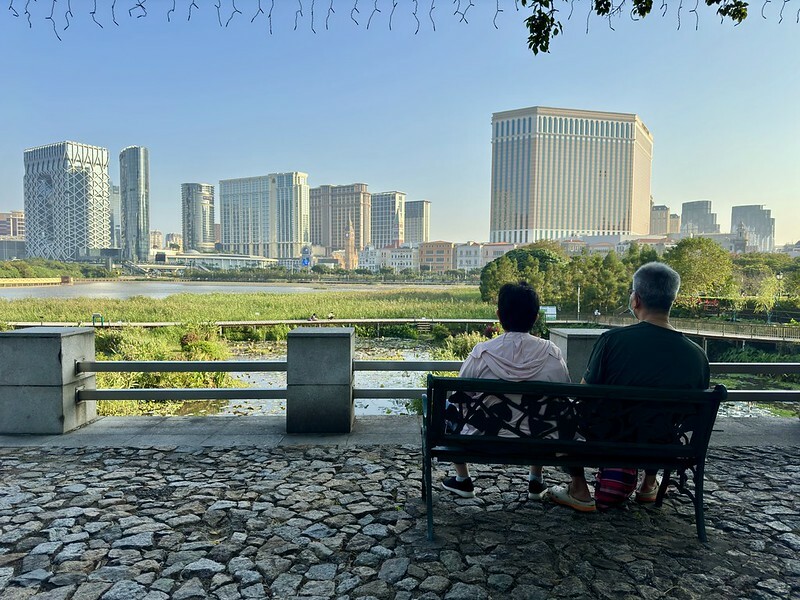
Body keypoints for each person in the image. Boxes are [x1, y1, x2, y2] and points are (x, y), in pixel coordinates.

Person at [550, 262, 710, 512]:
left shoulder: (612, 341)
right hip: (664, 447)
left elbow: (584, 395)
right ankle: (648, 484)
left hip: (607, 441)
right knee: (661, 420)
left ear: (635, 300)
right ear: (672, 301)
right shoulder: (697, 356)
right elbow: (690, 414)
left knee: (563, 413)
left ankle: (579, 488)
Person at [441, 281, 571, 500]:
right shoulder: (553, 354)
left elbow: (460, 397)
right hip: (541, 441)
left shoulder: (482, 353)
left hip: (484, 438)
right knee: (540, 414)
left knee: (448, 408)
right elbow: (563, 399)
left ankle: (463, 480)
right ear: (536, 317)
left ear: (499, 316)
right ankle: (535, 479)